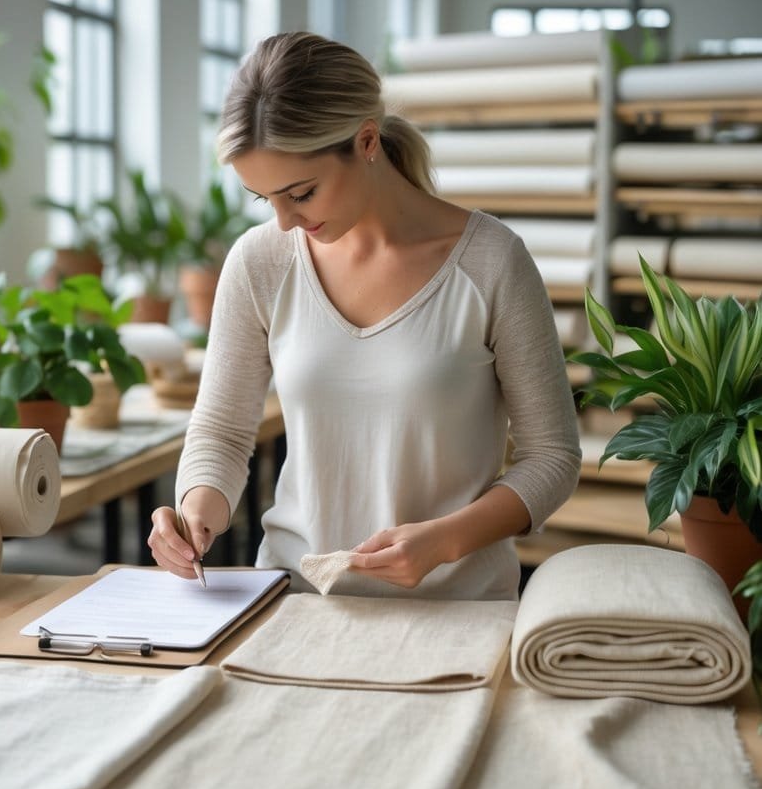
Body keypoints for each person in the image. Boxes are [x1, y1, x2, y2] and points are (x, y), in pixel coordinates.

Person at [146, 31, 581, 600]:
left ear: (367, 141)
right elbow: (223, 431)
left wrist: (444, 542)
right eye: (265, 199)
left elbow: (552, 456)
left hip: (456, 613)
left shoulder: (491, 262)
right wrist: (196, 503)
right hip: (294, 601)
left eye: (300, 193)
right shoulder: (260, 261)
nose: (282, 222)